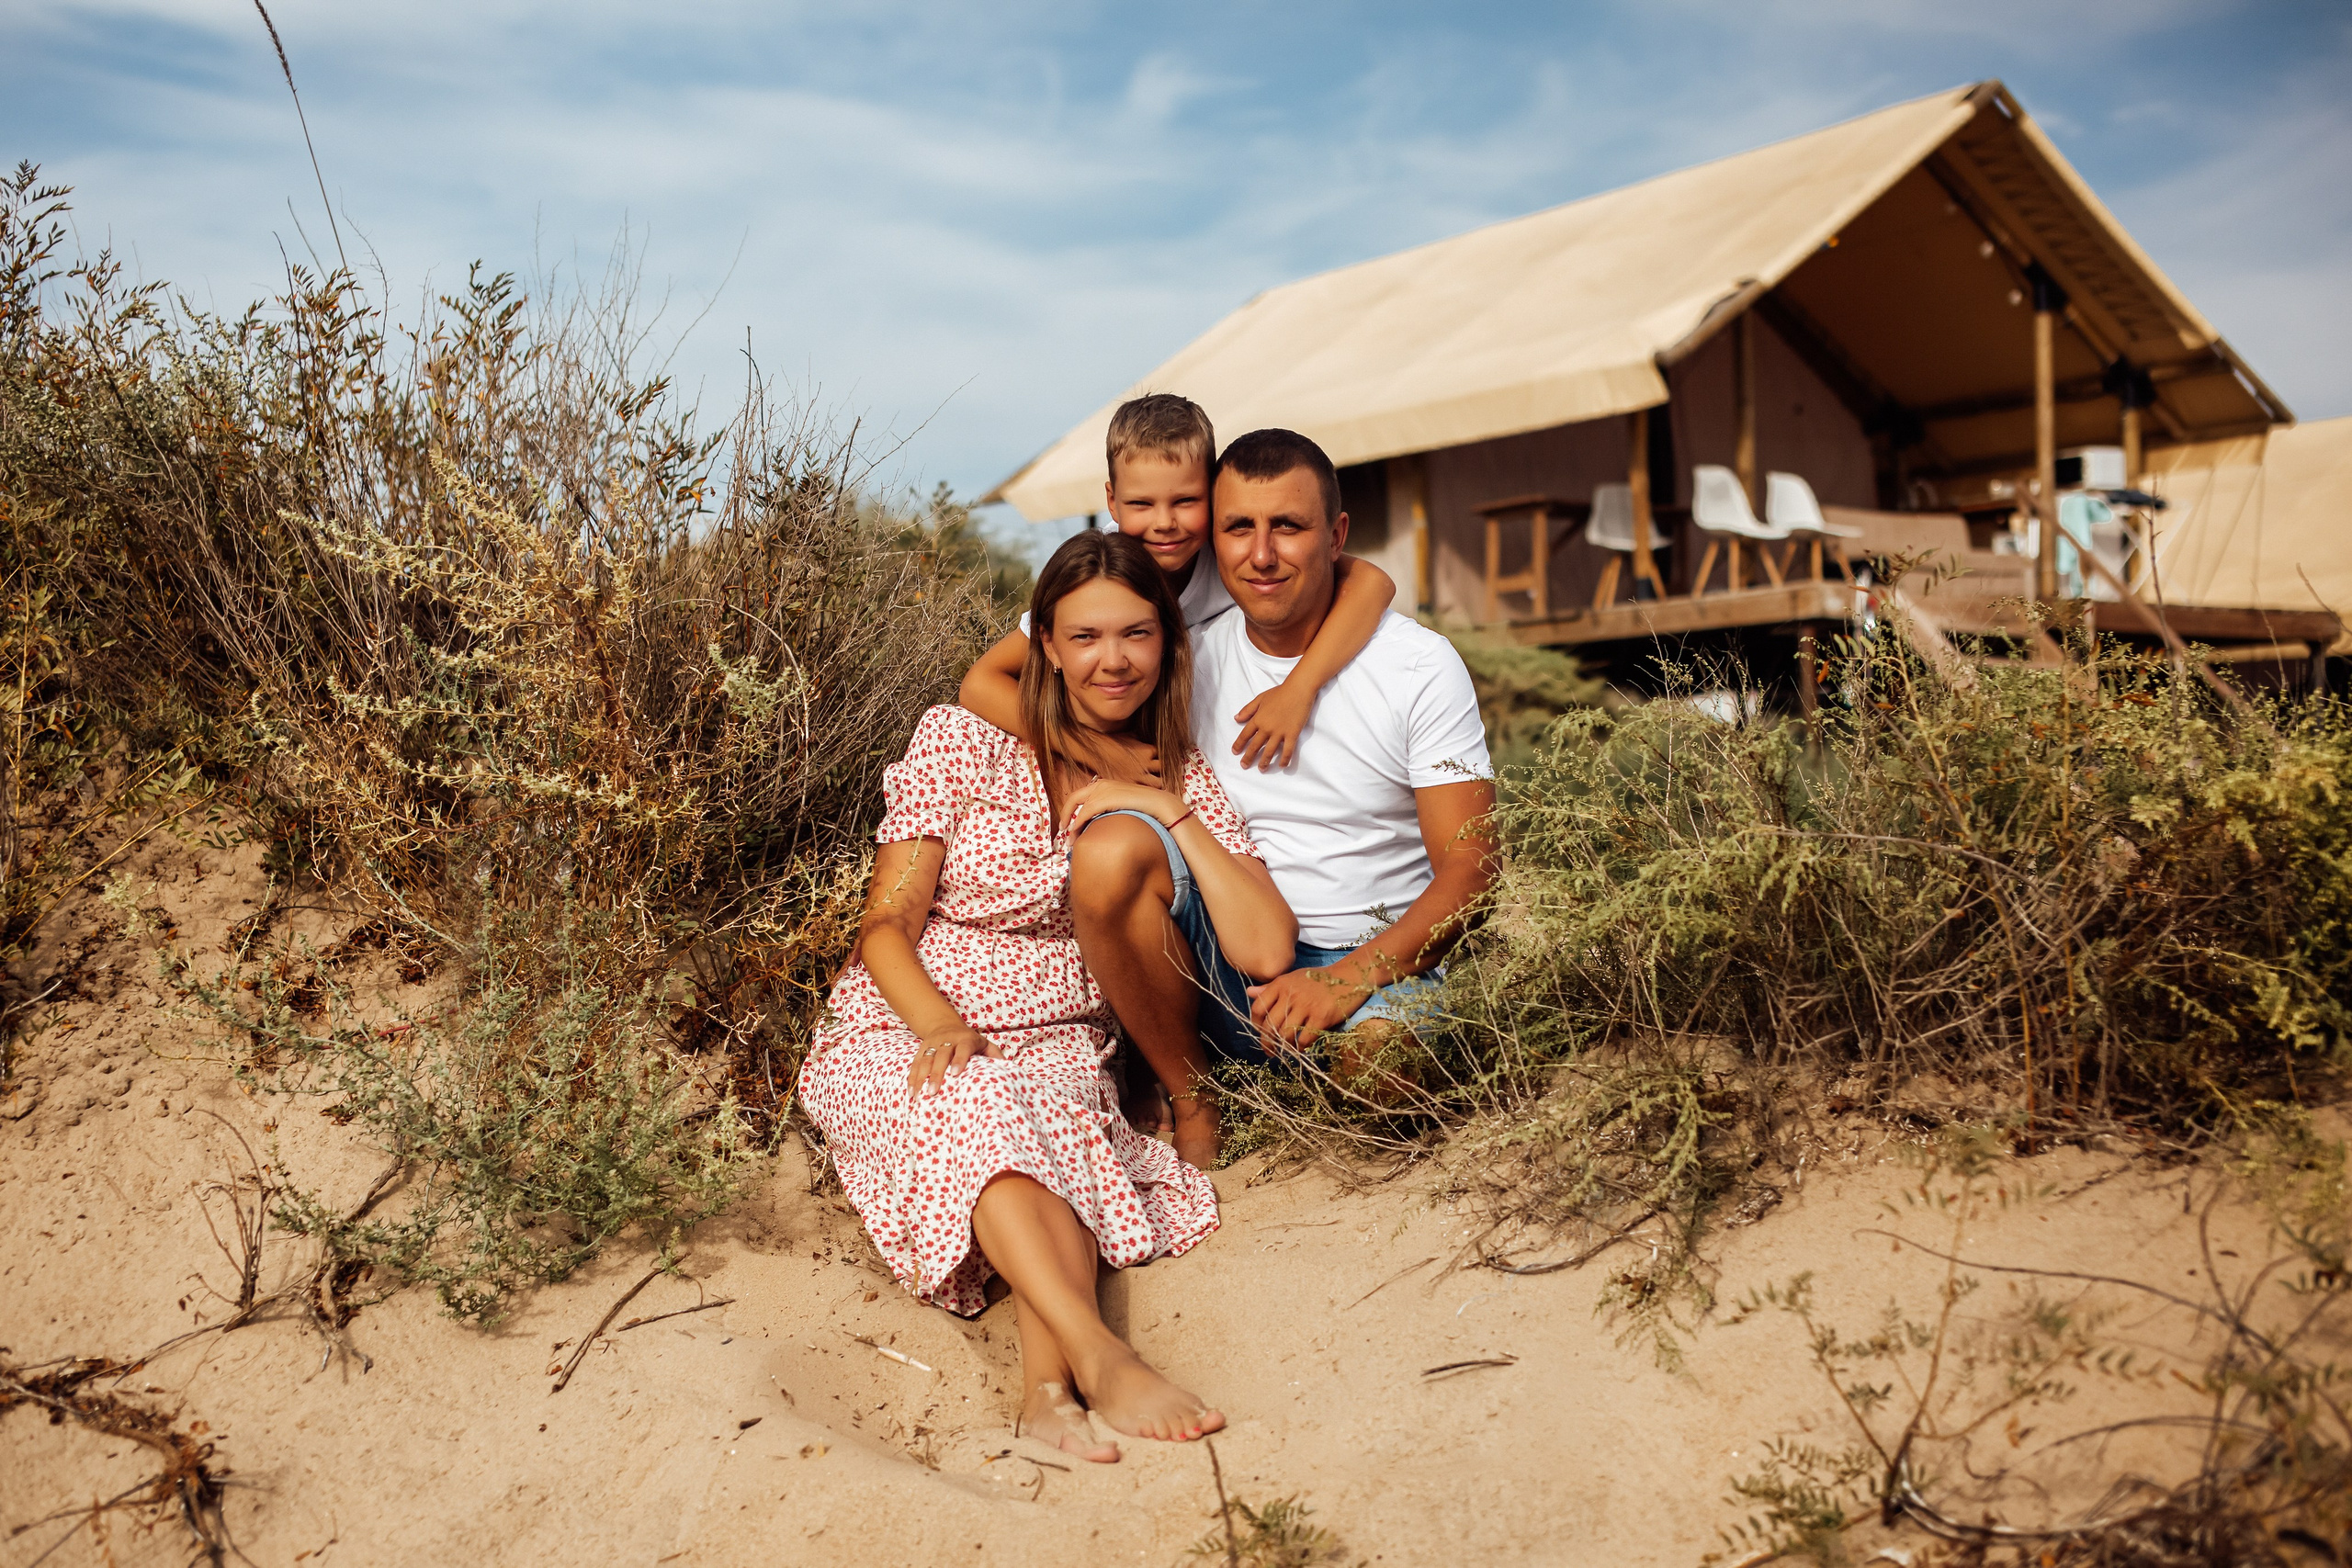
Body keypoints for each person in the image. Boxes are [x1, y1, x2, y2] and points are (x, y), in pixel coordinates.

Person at [797, 530, 1295, 1463]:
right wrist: (940, 1021)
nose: (1113, 660)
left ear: (1167, 646)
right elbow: (883, 926)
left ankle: (1042, 1396)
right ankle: (1096, 1357)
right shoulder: (963, 740)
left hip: (1063, 1033)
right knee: (974, 1090)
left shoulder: (1171, 771)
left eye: (1138, 636)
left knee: (1048, 1111)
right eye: (1087, 637)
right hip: (908, 1017)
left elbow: (1266, 945)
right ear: (1050, 647)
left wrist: (1162, 807)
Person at [959, 395, 1395, 1145]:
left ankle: (1184, 1071)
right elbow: (981, 682)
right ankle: (1143, 1067)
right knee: (1095, 879)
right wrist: (1098, 753)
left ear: (1214, 496)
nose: (1164, 522)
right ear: (1109, 502)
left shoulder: (1231, 570)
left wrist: (1300, 688)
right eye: (1141, 503)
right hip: (1116, 751)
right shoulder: (1101, 577)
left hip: (1189, 773)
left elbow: (1372, 583)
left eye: (1187, 501)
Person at [1075, 428, 1498, 1164]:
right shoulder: (1187, 660)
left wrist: (1343, 980)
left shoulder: (1416, 665)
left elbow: (1475, 870)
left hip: (1381, 967)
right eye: (1239, 526)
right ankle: (1190, 1090)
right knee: (1112, 852)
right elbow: (1061, 674)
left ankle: (1309, 1079)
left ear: (1336, 535)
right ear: (1215, 535)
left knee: (1381, 1063)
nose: (1261, 554)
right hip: (1232, 962)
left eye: (1288, 527)